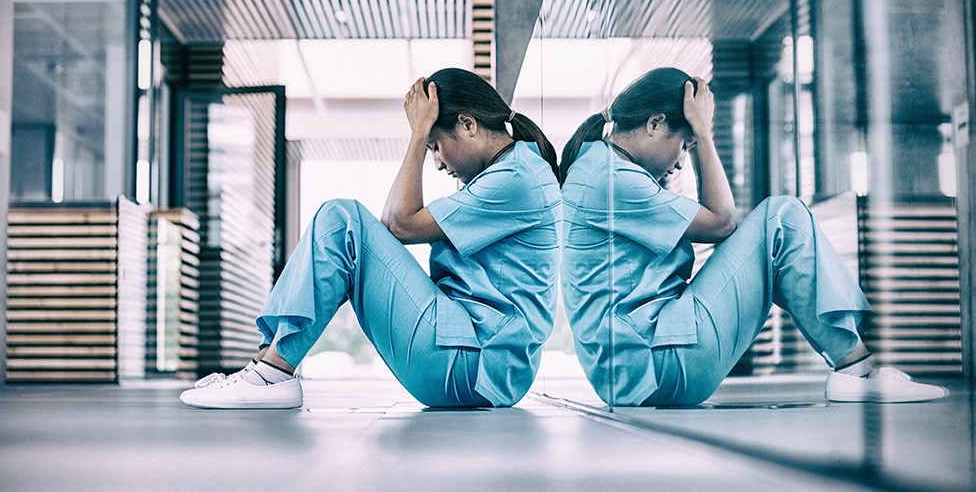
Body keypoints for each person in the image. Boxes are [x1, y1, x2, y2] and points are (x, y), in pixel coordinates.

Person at [558, 67, 948, 406]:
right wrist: (705, 136)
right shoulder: (611, 179)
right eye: (684, 145)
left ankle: (856, 366)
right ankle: (858, 371)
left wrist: (696, 135)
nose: (679, 162)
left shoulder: (602, 171)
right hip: (658, 363)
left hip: (640, 367)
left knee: (775, 228)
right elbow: (722, 222)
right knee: (783, 218)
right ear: (656, 123)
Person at [181, 68, 562, 409]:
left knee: (341, 219)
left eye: (435, 146)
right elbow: (394, 222)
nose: (439, 163)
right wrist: (422, 136)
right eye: (429, 150)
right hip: (471, 359)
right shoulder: (509, 174)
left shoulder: (516, 179)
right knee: (344, 221)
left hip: (472, 364)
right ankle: (267, 366)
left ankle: (270, 375)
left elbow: (399, 223)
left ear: (467, 124)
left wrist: (416, 135)